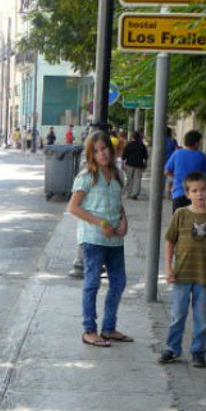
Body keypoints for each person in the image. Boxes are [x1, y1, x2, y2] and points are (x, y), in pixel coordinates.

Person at [158, 172, 206, 368]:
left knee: (202, 317)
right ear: (187, 193)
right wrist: (169, 268)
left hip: (203, 275)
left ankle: (198, 351)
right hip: (181, 275)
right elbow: (169, 241)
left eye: (202, 190)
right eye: (194, 191)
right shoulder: (181, 214)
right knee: (177, 315)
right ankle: (172, 349)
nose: (199, 194)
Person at [67, 130, 131, 347]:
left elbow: (117, 202)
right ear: (90, 154)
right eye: (96, 151)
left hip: (115, 239)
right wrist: (100, 223)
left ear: (111, 150)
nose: (101, 154)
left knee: (119, 282)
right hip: (94, 238)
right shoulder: (87, 177)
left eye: (104, 149)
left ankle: (109, 328)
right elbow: (73, 207)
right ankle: (89, 330)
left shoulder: (117, 175)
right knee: (92, 283)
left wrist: (123, 219)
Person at [164, 130, 206, 213]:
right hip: (195, 195)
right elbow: (205, 176)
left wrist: (176, 175)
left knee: (178, 221)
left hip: (178, 192)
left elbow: (167, 171)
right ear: (196, 143)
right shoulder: (202, 156)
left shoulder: (177, 154)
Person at [122, 130, 148, 199]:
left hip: (129, 164)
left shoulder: (129, 145)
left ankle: (129, 193)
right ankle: (135, 194)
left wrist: (123, 163)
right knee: (137, 180)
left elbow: (124, 156)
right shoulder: (142, 145)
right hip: (139, 165)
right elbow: (145, 157)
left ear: (132, 137)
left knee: (129, 179)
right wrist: (145, 164)